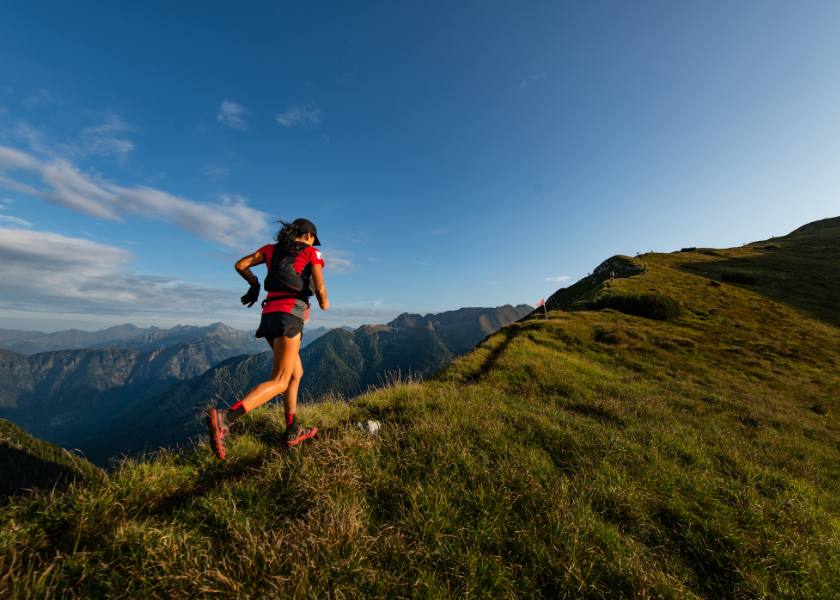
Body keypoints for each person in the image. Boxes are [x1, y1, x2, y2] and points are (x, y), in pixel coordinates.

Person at [205, 218, 329, 459]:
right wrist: (323, 303)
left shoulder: (270, 249)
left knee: (295, 373)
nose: (313, 241)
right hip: (289, 316)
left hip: (269, 316)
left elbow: (241, 264)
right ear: (309, 236)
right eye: (313, 238)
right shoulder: (313, 252)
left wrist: (254, 283)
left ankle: (293, 429)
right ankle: (225, 419)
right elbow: (321, 288)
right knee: (281, 380)